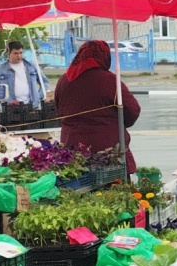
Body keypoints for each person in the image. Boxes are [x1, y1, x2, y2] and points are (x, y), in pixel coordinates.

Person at [54, 40, 141, 173]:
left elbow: (60, 110)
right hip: (107, 152)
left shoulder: (64, 80)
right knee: (113, 191)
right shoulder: (110, 81)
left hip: (72, 150)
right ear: (104, 56)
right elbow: (132, 110)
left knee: (77, 189)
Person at [0, 40, 49, 107]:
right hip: (10, 107)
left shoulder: (32, 66)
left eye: (21, 53)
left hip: (32, 105)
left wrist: (38, 95)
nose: (19, 56)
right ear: (8, 54)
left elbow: (45, 82)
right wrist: (0, 99)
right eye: (15, 53)